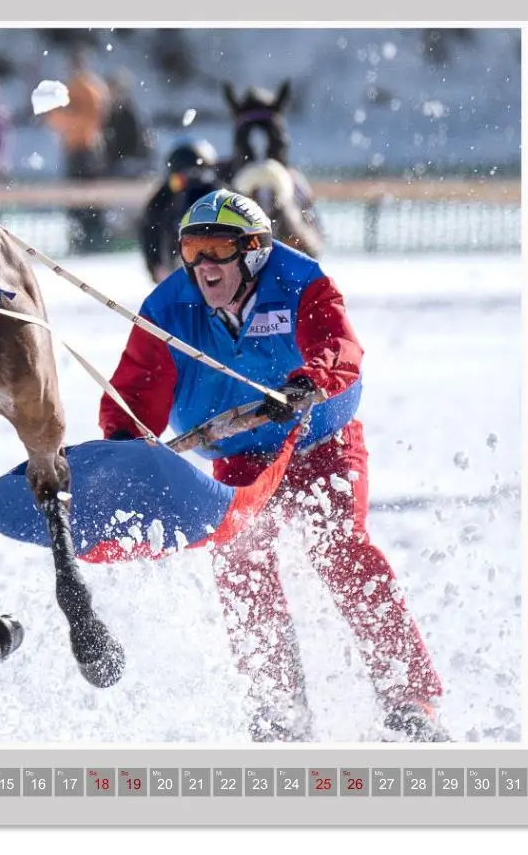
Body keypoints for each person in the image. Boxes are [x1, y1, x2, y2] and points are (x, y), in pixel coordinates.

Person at [98, 188, 447, 744]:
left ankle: (411, 699)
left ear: (255, 251)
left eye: (218, 249)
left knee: (341, 548)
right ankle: (277, 705)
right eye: (191, 250)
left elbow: (339, 345)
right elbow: (137, 388)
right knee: (241, 562)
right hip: (239, 456)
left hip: (320, 438)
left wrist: (309, 382)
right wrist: (123, 442)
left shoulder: (301, 280)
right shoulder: (166, 308)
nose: (203, 265)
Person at [44, 46, 111, 252]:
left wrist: (67, 118)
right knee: (77, 197)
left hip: (86, 148)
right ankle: (82, 237)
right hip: (74, 148)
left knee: (89, 196)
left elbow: (91, 118)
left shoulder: (89, 88)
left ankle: (92, 238)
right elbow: (54, 117)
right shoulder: (73, 88)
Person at [139, 138, 224, 283]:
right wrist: (156, 265)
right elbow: (150, 230)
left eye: (195, 177)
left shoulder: (219, 197)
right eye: (179, 180)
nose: (188, 186)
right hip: (176, 269)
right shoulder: (163, 199)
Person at [103, 68, 154, 178]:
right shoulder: (112, 112)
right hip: (119, 161)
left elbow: (134, 141)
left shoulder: (128, 111)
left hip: (131, 160)